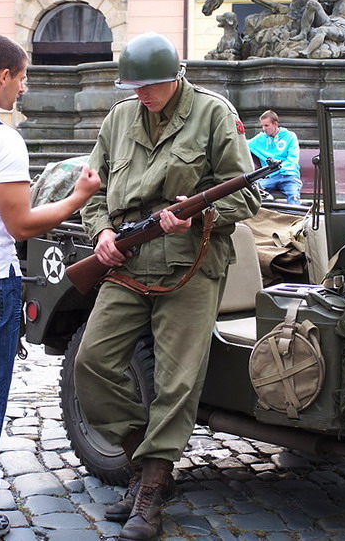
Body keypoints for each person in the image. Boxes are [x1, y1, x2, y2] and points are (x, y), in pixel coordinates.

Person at [74, 31, 260, 541]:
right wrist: (102, 232)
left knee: (178, 383)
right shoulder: (119, 119)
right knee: (92, 362)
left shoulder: (213, 114)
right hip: (128, 260)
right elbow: (93, 190)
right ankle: (141, 462)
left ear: (175, 77)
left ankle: (152, 488)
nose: (142, 95)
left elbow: (248, 198)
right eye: (134, 87)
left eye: (150, 86)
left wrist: (198, 215)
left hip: (190, 265)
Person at [0, 35, 100, 540]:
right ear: (2, 76)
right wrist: (78, 197)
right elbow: (20, 225)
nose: (23, 89)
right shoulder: (2, 139)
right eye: (22, 78)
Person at [248, 110, 302, 204]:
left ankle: (296, 213)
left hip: (289, 175)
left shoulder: (290, 136)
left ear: (275, 124)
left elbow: (293, 158)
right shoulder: (260, 138)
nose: (264, 129)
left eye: (266, 125)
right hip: (270, 177)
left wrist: (279, 168)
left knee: (294, 197)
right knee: (253, 191)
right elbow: (242, 145)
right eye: (262, 126)